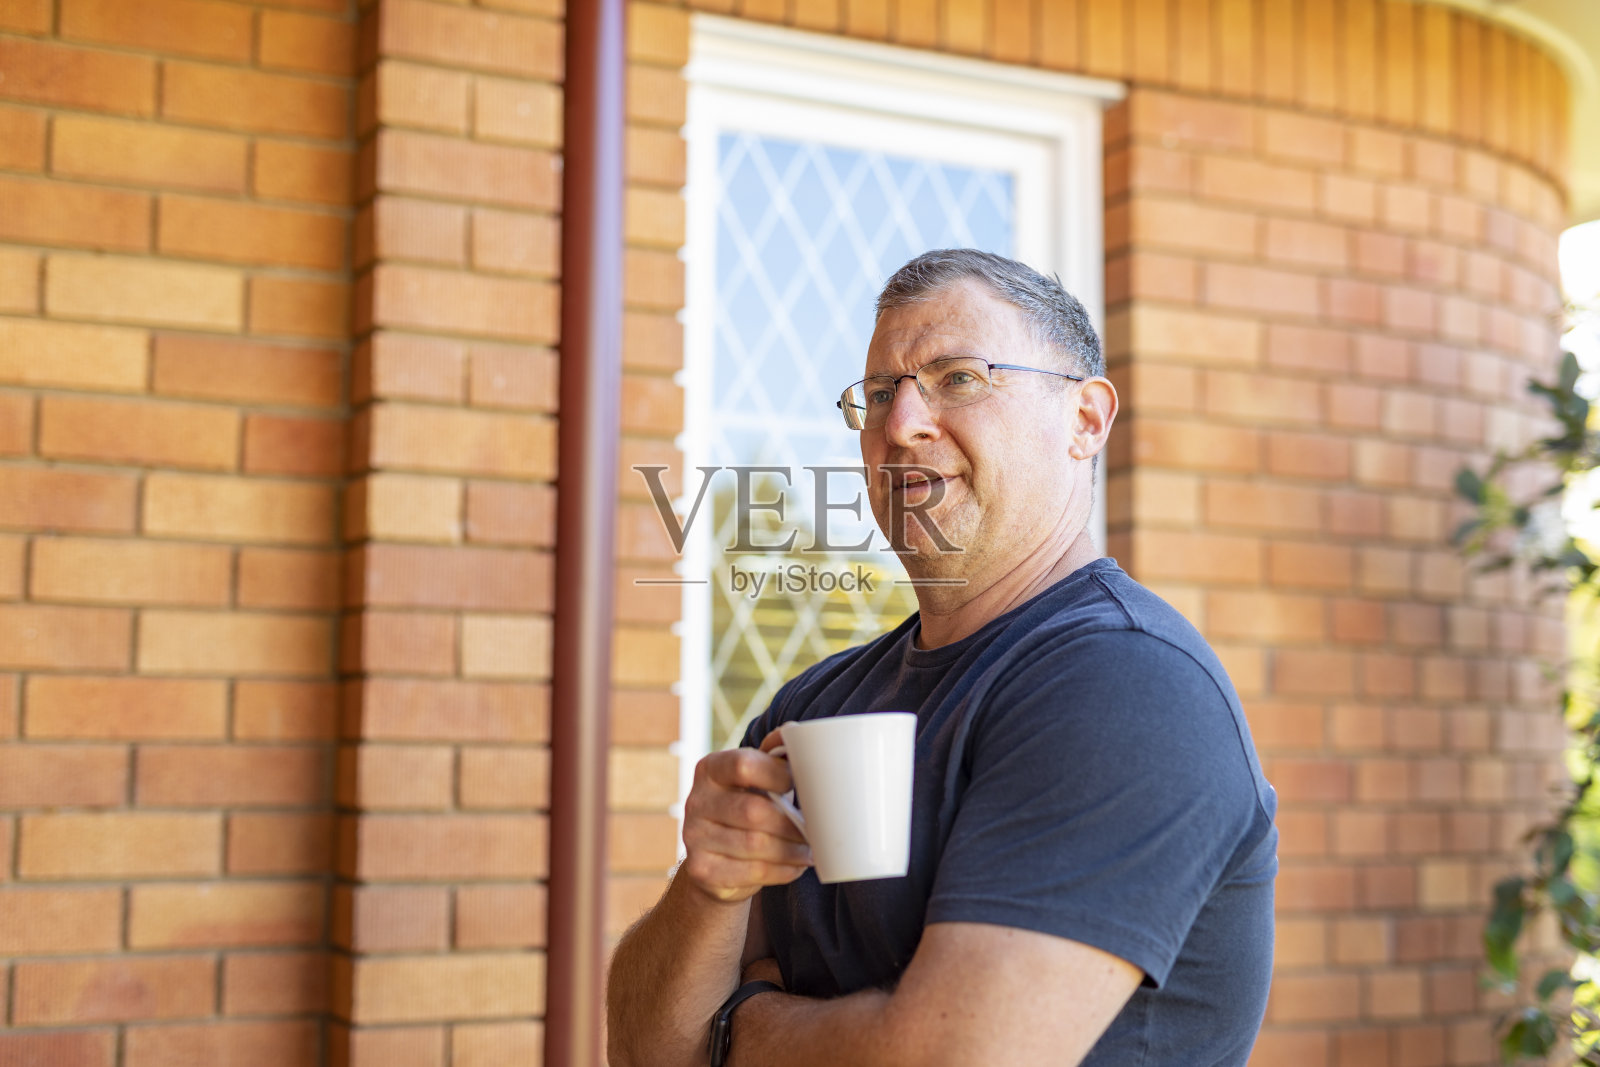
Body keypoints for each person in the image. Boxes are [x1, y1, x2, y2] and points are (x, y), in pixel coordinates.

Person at [607, 249, 1278, 1067]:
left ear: (1086, 420)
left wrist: (735, 1027)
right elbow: (643, 1049)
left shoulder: (1129, 687)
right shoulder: (810, 709)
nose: (901, 425)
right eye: (882, 393)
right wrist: (708, 888)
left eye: (958, 377)